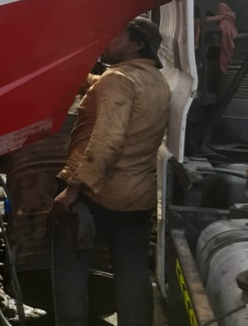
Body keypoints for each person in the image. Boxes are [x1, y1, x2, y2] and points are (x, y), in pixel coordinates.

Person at [50, 17, 171, 326]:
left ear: (136, 44)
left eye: (113, 36)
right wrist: (80, 76)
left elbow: (108, 141)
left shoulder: (118, 79)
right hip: (137, 197)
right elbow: (112, 92)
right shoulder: (156, 80)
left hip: (98, 193)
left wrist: (73, 190)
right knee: (133, 276)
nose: (104, 41)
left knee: (70, 273)